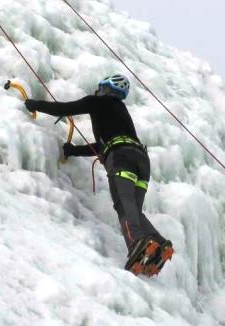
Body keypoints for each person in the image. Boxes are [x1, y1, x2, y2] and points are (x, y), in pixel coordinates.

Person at [24, 74, 174, 276]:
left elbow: (62, 109)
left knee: (124, 204)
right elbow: (102, 147)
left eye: (100, 88)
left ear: (105, 89)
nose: (97, 92)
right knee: (133, 209)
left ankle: (138, 243)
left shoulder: (97, 102)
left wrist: (33, 104)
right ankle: (157, 244)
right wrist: (74, 150)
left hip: (121, 159)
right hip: (141, 162)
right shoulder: (121, 111)